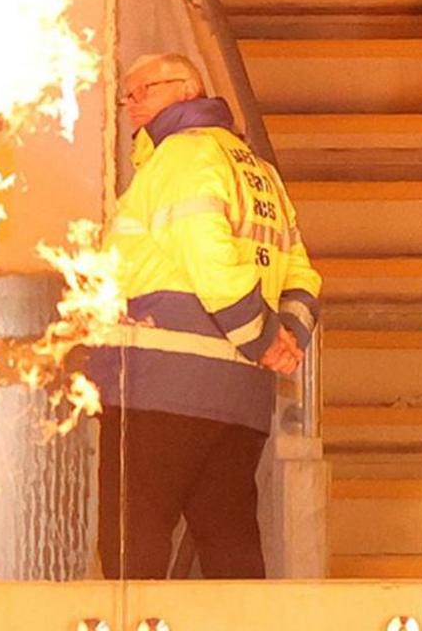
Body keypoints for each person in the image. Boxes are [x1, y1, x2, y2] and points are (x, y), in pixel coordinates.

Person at [85, 51, 316, 579]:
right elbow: (301, 271)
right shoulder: (257, 171)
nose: (131, 105)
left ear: (187, 90)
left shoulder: (182, 158)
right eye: (127, 95)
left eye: (144, 90)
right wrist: (287, 339)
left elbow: (207, 255)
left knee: (131, 550)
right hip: (239, 398)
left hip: (161, 387)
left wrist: (261, 338)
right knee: (229, 545)